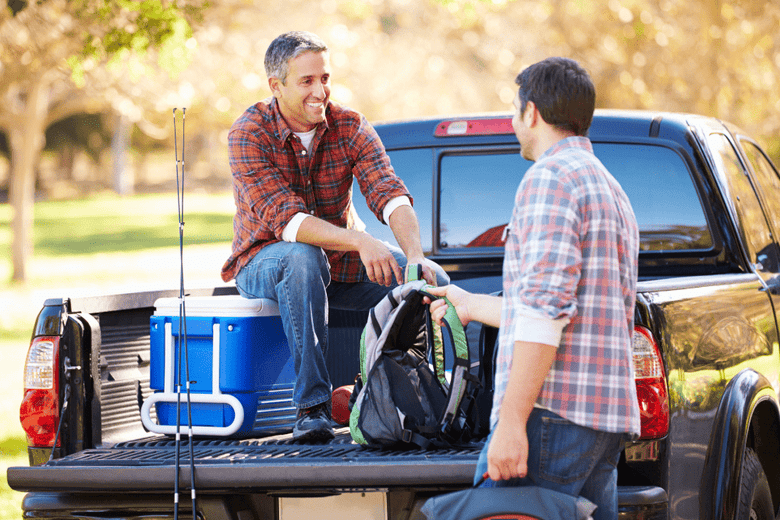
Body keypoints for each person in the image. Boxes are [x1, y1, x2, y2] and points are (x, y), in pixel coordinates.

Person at [425, 57, 640, 520]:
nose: (512, 121)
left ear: (532, 113)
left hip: (549, 415)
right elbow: (564, 309)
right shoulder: (608, 188)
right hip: (599, 422)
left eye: (514, 110)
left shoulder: (550, 179)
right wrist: (470, 304)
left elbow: (547, 314)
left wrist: (512, 423)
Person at [221, 31, 447, 442]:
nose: (320, 90)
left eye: (324, 78)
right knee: (303, 257)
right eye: (307, 81)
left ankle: (418, 400)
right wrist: (361, 241)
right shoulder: (248, 134)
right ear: (276, 86)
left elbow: (389, 192)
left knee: (432, 281)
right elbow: (288, 223)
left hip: (338, 268)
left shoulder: (350, 125)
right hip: (264, 262)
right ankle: (312, 408)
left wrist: (415, 257)